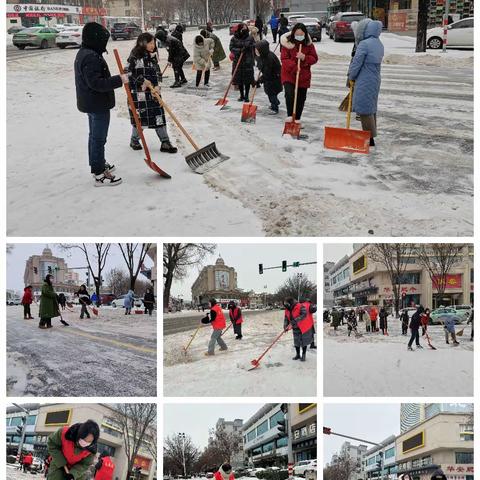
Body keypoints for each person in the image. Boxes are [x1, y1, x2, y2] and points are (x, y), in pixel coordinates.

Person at [74, 22, 127, 187]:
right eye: (103, 40)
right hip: (97, 104)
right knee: (98, 138)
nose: (105, 44)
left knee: (94, 137)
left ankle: (98, 163)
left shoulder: (87, 52)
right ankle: (99, 173)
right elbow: (96, 83)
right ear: (95, 39)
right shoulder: (90, 56)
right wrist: (120, 79)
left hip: (92, 103)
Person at [126, 33, 178, 153]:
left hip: (153, 93)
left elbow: (157, 73)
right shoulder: (134, 56)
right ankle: (134, 140)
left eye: (154, 43)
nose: (153, 45)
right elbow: (127, 72)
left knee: (158, 115)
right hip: (138, 94)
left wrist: (157, 86)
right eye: (150, 43)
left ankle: (165, 142)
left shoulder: (153, 56)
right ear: (142, 43)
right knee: (140, 118)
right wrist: (142, 80)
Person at [347, 19, 384, 147]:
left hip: (364, 79)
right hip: (375, 79)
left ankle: (370, 139)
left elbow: (356, 63)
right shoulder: (379, 43)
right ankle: (371, 136)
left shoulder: (364, 44)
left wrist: (351, 76)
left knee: (364, 109)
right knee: (371, 108)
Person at [280, 24, 318, 124]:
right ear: (293, 33)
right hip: (289, 73)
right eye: (297, 34)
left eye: (301, 34)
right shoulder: (287, 44)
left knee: (301, 97)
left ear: (305, 34)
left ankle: (297, 119)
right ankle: (290, 117)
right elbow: (284, 59)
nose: (299, 36)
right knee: (289, 94)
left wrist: (304, 57)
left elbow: (314, 58)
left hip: (303, 75)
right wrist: (294, 67)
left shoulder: (309, 45)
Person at [255, 40, 282, 115]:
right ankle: (275, 102)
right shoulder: (265, 55)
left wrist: (259, 80)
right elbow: (261, 66)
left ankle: (275, 107)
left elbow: (267, 73)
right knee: (271, 93)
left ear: (262, 49)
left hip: (273, 79)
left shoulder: (269, 58)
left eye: (257, 49)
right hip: (272, 78)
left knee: (271, 93)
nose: (256, 51)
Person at [230, 23, 256, 102]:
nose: (244, 29)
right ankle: (241, 95)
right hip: (238, 60)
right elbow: (231, 48)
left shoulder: (250, 38)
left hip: (247, 61)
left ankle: (246, 95)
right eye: (242, 28)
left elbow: (254, 46)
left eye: (245, 28)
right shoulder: (234, 38)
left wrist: (248, 47)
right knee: (239, 79)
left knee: (247, 79)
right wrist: (239, 50)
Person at [283, 297, 312, 362]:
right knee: (296, 342)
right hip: (295, 327)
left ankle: (303, 355)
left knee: (303, 342)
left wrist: (295, 320)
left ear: (290, 303)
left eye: (287, 304)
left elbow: (304, 314)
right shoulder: (287, 309)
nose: (286, 306)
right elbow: (286, 318)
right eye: (285, 305)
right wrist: (285, 326)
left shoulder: (300, 306)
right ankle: (298, 355)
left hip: (303, 327)